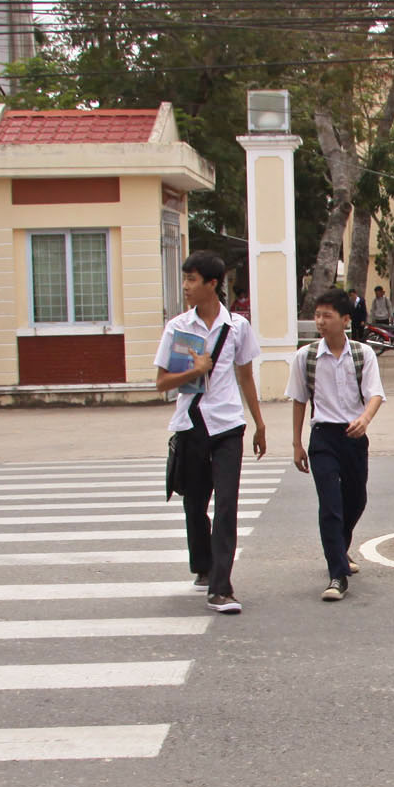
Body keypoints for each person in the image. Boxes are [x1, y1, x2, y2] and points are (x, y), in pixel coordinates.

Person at [156, 250, 266, 614]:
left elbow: (246, 376)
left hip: (228, 426)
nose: (186, 286)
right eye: (185, 279)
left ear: (212, 284)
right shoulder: (178, 328)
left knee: (227, 506)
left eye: (191, 279)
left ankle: (221, 588)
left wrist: (259, 423)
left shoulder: (237, 327)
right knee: (194, 504)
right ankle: (204, 566)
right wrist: (195, 370)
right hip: (191, 426)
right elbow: (162, 383)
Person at [288, 288, 384, 601]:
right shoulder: (306, 357)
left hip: (354, 436)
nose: (320, 321)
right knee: (330, 505)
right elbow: (300, 400)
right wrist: (296, 443)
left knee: (356, 500)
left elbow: (375, 394)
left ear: (344, 319)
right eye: (317, 315)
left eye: (327, 316)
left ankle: (339, 549)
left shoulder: (362, 354)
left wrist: (365, 420)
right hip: (323, 438)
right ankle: (337, 575)